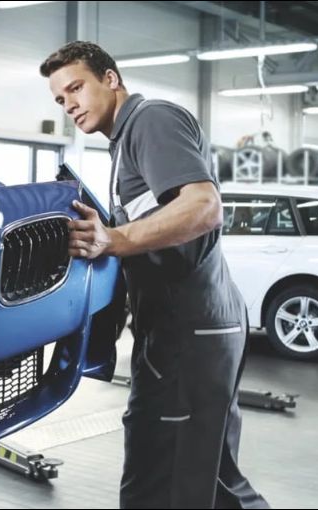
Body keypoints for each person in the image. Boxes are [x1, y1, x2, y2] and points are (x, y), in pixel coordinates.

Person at [39, 41, 269, 509]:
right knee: (212, 478)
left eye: (76, 88)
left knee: (160, 479)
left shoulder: (150, 121)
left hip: (188, 329)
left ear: (111, 78)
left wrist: (114, 240)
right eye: (60, 100)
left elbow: (203, 207)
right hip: (200, 324)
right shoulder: (125, 142)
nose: (70, 106)